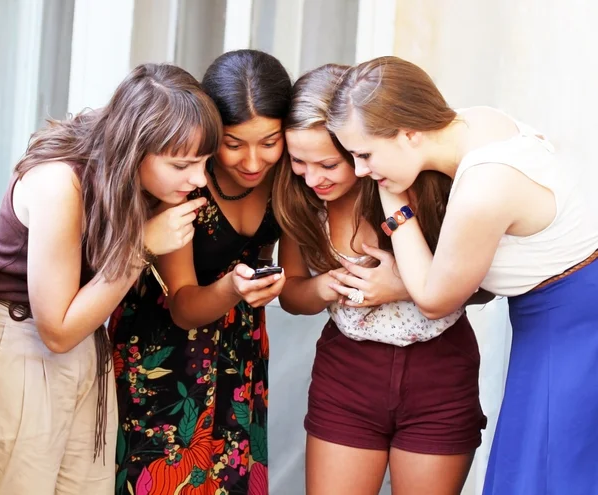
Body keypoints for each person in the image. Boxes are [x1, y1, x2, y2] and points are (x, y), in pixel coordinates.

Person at [327, 55, 598, 495]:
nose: (360, 170)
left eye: (365, 154)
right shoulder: (477, 122)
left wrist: (396, 207)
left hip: (568, 326)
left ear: (410, 133)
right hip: (560, 313)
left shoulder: (483, 186)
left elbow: (436, 299)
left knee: (547, 474)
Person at [0, 63, 222, 495]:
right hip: (20, 341)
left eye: (205, 162)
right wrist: (140, 246)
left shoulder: (139, 181)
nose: (199, 179)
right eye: (183, 164)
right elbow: (57, 332)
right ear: (134, 149)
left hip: (87, 342)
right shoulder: (59, 182)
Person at [274, 64, 487, 495]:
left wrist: (403, 286)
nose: (313, 177)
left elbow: (485, 284)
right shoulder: (303, 204)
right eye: (299, 162)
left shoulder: (420, 189)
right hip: (348, 375)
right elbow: (293, 294)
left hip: (439, 371)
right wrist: (322, 288)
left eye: (329, 163)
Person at [110, 49, 292, 494]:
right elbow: (184, 306)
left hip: (240, 352)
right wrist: (233, 286)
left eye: (269, 142)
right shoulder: (186, 180)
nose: (252, 162)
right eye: (233, 144)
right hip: (165, 352)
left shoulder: (287, 174)